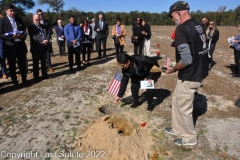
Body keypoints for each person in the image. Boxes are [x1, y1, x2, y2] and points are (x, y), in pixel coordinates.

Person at [165, 1, 209, 146]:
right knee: (176, 100)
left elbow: (187, 59)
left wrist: (173, 68)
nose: (172, 19)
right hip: (199, 71)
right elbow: (199, 48)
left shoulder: (182, 30)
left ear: (179, 13)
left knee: (184, 108)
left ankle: (189, 138)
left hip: (189, 75)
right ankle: (177, 129)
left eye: (172, 16)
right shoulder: (198, 25)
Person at [0, 4, 29, 88]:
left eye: (13, 11)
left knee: (22, 64)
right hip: (10, 46)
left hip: (20, 44)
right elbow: (0, 34)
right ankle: (15, 82)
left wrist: (23, 36)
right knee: (12, 65)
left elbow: (24, 31)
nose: (12, 12)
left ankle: (25, 80)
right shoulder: (2, 20)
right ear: (6, 11)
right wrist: (11, 37)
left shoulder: (19, 19)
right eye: (10, 11)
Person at [28, 14, 50, 83]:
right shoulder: (31, 26)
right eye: (36, 19)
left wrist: (47, 40)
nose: (38, 21)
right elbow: (34, 36)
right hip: (36, 47)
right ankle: (36, 77)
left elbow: (48, 33)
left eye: (39, 19)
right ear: (33, 19)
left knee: (44, 62)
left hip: (44, 46)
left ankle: (45, 75)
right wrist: (42, 41)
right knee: (36, 63)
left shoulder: (43, 26)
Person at [37, 9, 54, 73]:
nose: (40, 15)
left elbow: (49, 32)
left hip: (47, 41)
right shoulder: (36, 22)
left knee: (48, 55)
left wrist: (47, 39)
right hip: (40, 42)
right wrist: (41, 40)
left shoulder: (47, 22)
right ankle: (42, 67)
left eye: (41, 14)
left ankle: (49, 66)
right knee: (40, 56)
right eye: (39, 14)